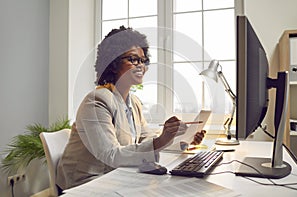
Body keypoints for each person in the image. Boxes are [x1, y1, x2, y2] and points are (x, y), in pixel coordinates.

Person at [56, 26, 206, 190]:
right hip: (84, 184)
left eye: (142, 60)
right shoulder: (96, 101)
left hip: (114, 177)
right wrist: (161, 140)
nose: (140, 65)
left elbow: (146, 141)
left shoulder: (133, 102)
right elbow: (111, 155)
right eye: (133, 59)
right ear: (112, 63)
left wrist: (181, 140)